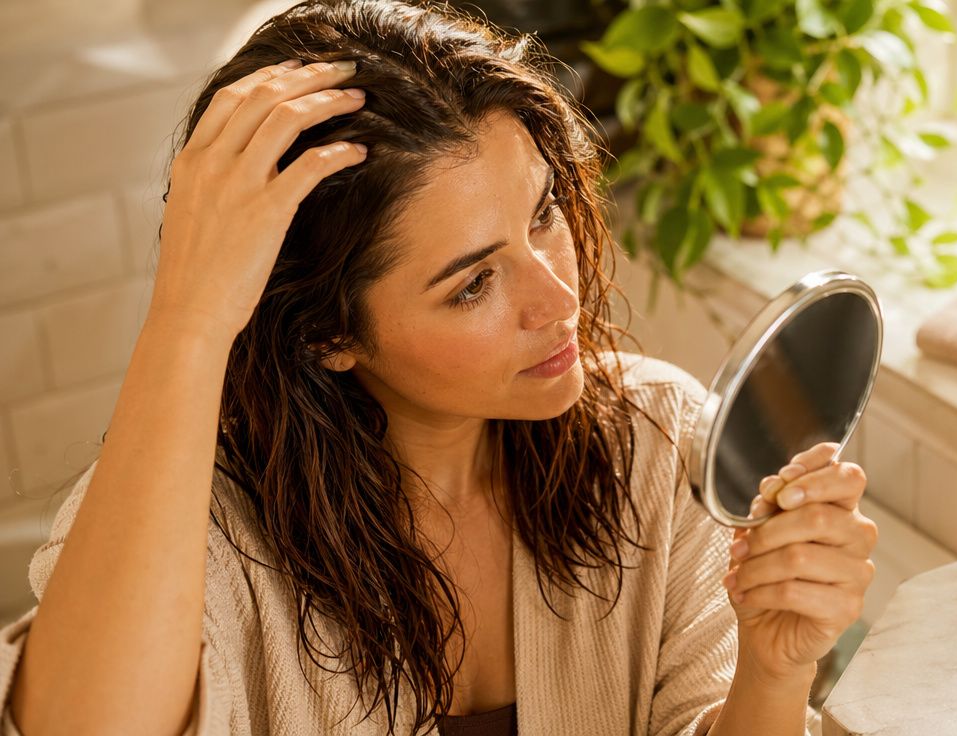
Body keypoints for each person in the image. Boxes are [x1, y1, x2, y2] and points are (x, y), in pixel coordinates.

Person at [0, 1, 880, 734]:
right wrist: (189, 320)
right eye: (472, 285)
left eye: (542, 215)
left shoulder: (656, 447)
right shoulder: (205, 534)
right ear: (327, 336)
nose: (556, 299)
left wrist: (772, 671)